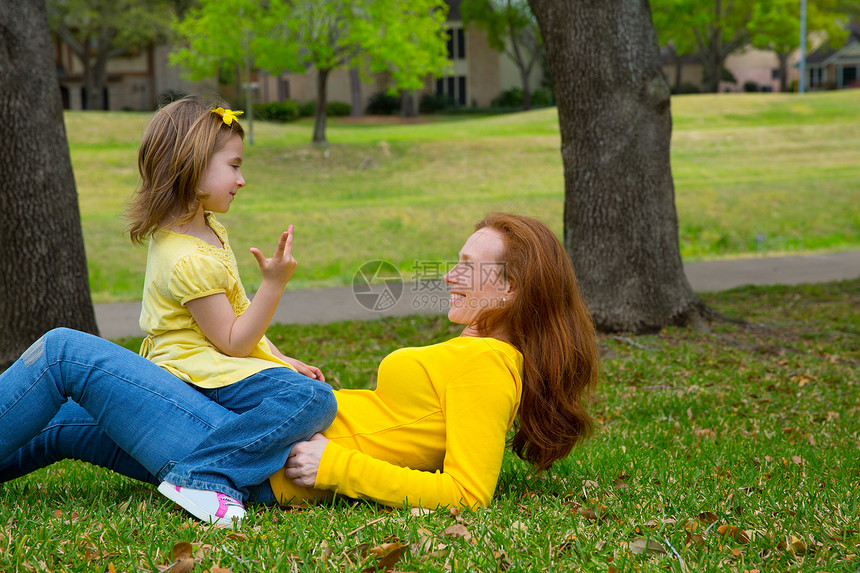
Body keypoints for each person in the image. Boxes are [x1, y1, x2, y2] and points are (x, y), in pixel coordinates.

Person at [0, 213, 599, 512]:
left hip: (264, 464)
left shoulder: (491, 364)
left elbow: (469, 492)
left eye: (469, 267)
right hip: (253, 439)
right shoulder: (475, 350)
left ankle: (202, 481)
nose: (449, 275)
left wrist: (337, 464)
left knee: (64, 351)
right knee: (62, 428)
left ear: (513, 289)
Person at [130, 97, 335, 523]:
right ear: (191, 165)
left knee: (299, 388)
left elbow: (239, 314)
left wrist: (279, 360)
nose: (242, 180)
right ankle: (202, 475)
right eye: (234, 166)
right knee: (313, 399)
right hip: (191, 370)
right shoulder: (188, 259)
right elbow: (234, 341)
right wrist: (274, 284)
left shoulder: (207, 230)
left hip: (214, 362)